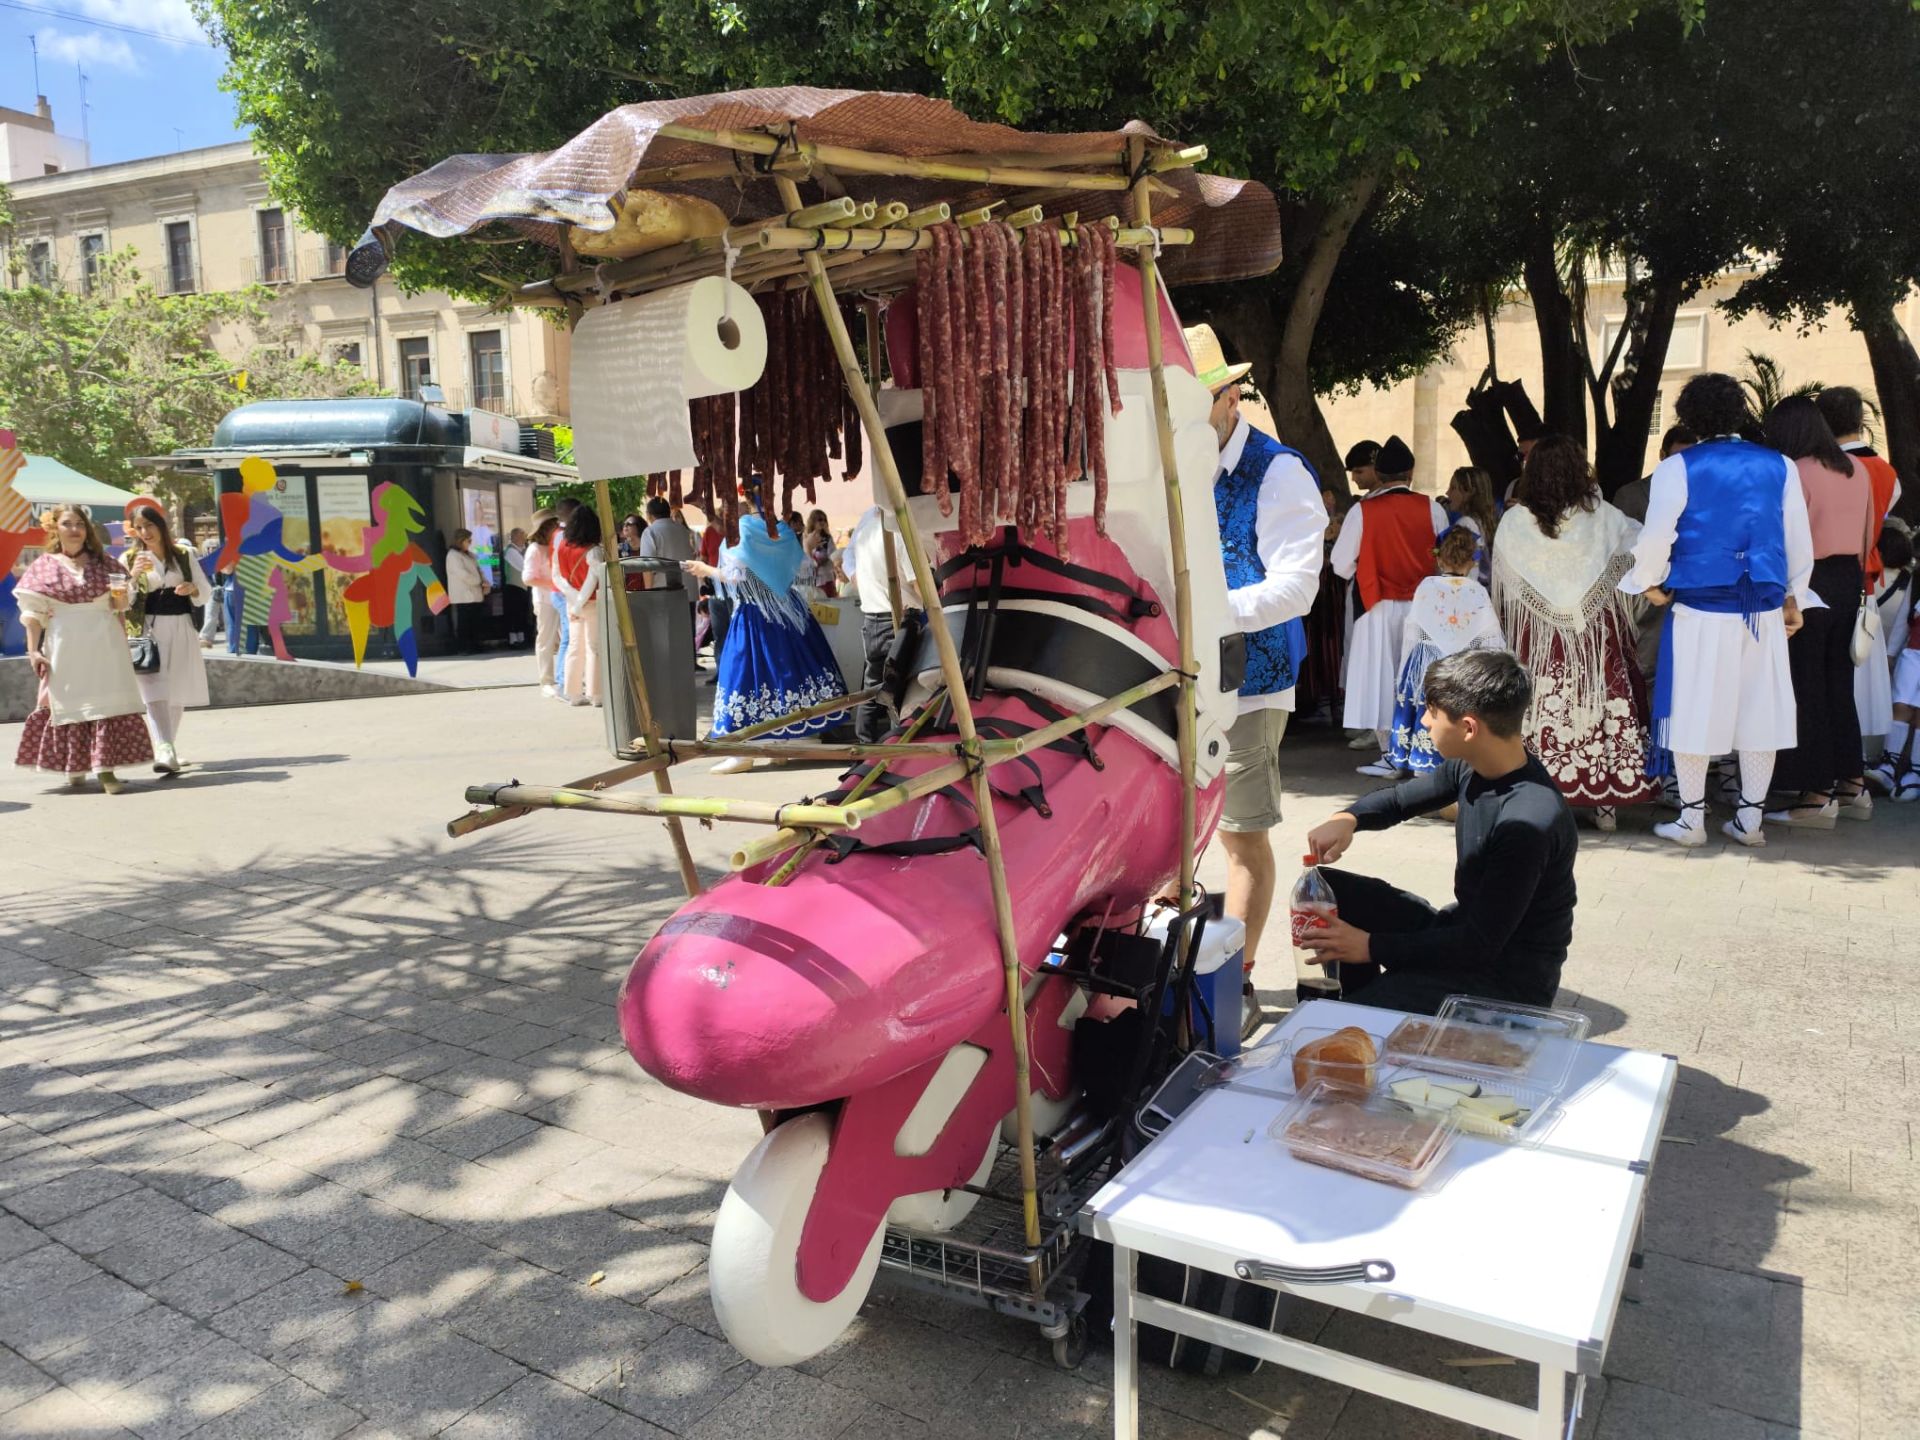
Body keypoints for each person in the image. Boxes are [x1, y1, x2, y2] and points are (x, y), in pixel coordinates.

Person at [1301, 649, 1578, 1014]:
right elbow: (1400, 800)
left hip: (1504, 981)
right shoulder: (1473, 765)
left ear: (1468, 727)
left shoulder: (1527, 822)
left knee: (1350, 1012)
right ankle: (1362, 1004)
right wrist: (1348, 818)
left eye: (1433, 712)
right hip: (1462, 935)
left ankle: (1363, 1011)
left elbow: (1480, 944)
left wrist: (1369, 945)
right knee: (1325, 888)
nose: (1426, 722)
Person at [1191, 323, 1328, 1020]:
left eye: (1192, 404)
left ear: (1229, 397)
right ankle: (1179, 970)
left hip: (1250, 683)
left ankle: (1234, 984)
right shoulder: (1176, 466)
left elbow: (1296, 588)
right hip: (1174, 681)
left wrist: (1204, 613)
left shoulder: (1279, 472)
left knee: (1242, 837)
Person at [1618, 373, 1815, 848]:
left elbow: (1657, 535)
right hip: (1762, 606)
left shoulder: (1678, 467)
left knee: (1692, 707)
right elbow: (1796, 539)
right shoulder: (1781, 465)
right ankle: (1750, 820)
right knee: (1759, 710)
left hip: (1701, 608)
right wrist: (1796, 596)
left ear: (1690, 417)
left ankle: (1692, 818)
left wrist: (1648, 584)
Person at [1491, 436, 1657, 830]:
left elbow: (1504, 583)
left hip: (1540, 634)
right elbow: (1639, 546)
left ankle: (1536, 796)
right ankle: (1606, 805)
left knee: (1540, 704)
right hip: (1595, 633)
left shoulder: (1517, 520)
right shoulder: (1605, 516)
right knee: (1600, 702)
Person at [1762, 396, 1875, 827]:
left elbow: (1790, 535)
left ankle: (1815, 795)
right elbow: (1868, 531)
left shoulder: (1796, 471)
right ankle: (1852, 783)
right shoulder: (1856, 469)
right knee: (1837, 684)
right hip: (1849, 578)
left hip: (1809, 582)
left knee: (1805, 687)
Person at [683, 491, 848, 771]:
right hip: (790, 612)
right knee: (789, 671)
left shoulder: (741, 533)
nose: (724, 511)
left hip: (754, 615)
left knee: (743, 674)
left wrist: (706, 569)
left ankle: (744, 748)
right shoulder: (780, 529)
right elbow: (802, 568)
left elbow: (736, 576)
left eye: (727, 505)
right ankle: (786, 740)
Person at [1330, 434, 1449, 772]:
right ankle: (1424, 753)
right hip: (1423, 605)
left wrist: (1366, 567)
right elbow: (1443, 558)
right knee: (1419, 678)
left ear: (1379, 474)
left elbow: (1340, 564)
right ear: (1410, 473)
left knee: (1379, 679)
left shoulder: (1362, 511)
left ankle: (1390, 754)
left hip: (1376, 602)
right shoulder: (1433, 508)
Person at [14, 505, 154, 793]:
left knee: (105, 698)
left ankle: (105, 770)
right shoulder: (43, 566)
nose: (75, 529)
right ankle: (75, 765)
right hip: (65, 641)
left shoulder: (106, 563)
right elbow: (32, 615)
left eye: (80, 523)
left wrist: (119, 595)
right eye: (68, 523)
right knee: (71, 700)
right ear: (55, 528)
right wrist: (33, 650)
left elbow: (119, 605)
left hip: (104, 639)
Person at [1389, 527, 1504, 775]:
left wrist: (1402, 675)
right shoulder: (1477, 591)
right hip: (1464, 665)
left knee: (1425, 707)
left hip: (1428, 663)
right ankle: (1461, 763)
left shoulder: (1427, 586)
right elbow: (1490, 636)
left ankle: (1418, 762)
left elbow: (1413, 631)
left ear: (1439, 557)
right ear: (1472, 561)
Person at [122, 500, 212, 774]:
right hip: (148, 630)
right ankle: (164, 748)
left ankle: (168, 746)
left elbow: (205, 591)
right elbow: (121, 600)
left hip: (181, 625)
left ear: (160, 525)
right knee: (153, 687)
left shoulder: (183, 554)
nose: (145, 532)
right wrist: (133, 577)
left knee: (177, 688)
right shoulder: (128, 559)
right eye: (139, 528)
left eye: (149, 525)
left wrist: (191, 589)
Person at [843, 503, 926, 745]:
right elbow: (916, 582)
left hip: (872, 618)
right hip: (897, 619)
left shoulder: (867, 524)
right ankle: (893, 747)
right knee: (896, 690)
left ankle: (865, 745)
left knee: (873, 688)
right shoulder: (897, 531)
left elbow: (850, 561)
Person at [552, 505, 605, 707]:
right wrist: (580, 601)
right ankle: (596, 694)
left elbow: (557, 576)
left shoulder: (562, 547)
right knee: (594, 647)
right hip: (591, 603)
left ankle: (573, 693)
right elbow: (593, 580)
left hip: (571, 602)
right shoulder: (594, 551)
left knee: (575, 647)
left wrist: (573, 600)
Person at [1612, 426, 1698, 525]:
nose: (1685, 466)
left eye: (1692, 460)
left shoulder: (1703, 494)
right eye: (1677, 460)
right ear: (1662, 455)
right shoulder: (1630, 496)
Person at [522, 509, 563, 698]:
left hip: (558, 598)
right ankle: (546, 680)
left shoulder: (553, 545)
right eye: (552, 525)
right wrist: (553, 584)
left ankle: (563, 678)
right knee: (546, 640)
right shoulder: (535, 549)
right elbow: (528, 578)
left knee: (565, 639)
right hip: (545, 600)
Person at [1443, 466, 1501, 586]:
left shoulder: (1466, 525)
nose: (1447, 493)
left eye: (1453, 488)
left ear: (1470, 492)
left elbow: (1457, 572)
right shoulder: (1487, 522)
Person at [549, 496, 580, 684]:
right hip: (563, 591)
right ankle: (562, 679)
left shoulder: (561, 533)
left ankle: (566, 678)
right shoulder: (562, 535)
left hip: (563, 590)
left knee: (570, 637)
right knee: (569, 638)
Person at [445, 528, 490, 654]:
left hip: (474, 593)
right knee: (464, 623)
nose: (470, 543)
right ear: (461, 541)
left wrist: (485, 581)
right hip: (463, 595)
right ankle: (464, 647)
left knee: (475, 622)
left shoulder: (470, 555)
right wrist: (479, 581)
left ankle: (475, 645)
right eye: (468, 540)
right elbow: (463, 574)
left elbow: (479, 570)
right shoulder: (453, 556)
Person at [501, 526, 532, 648]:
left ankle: (521, 638)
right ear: (514, 538)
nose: (524, 539)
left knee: (521, 613)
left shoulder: (520, 550)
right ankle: (514, 640)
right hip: (513, 587)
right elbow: (524, 566)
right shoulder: (510, 551)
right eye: (521, 536)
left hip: (520, 587)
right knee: (515, 613)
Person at [197, 533, 226, 649]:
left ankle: (232, 637)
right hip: (210, 591)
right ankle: (206, 638)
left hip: (224, 590)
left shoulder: (223, 559)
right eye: (209, 548)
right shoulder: (202, 561)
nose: (211, 550)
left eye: (214, 548)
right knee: (210, 615)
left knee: (227, 616)